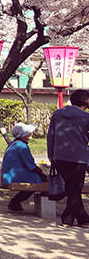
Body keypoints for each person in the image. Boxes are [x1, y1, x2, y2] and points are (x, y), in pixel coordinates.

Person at [47, 89, 89, 227]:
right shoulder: (86, 117)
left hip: (59, 156)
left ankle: (68, 218)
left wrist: (50, 154)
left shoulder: (57, 114)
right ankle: (82, 219)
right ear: (86, 101)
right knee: (75, 187)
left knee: (72, 189)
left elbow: (51, 135)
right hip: (79, 157)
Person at [1, 122, 46, 213]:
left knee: (37, 179)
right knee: (39, 181)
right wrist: (42, 173)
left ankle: (15, 202)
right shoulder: (22, 146)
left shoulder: (14, 143)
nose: (30, 134)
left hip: (9, 174)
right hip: (15, 175)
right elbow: (31, 165)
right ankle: (15, 202)